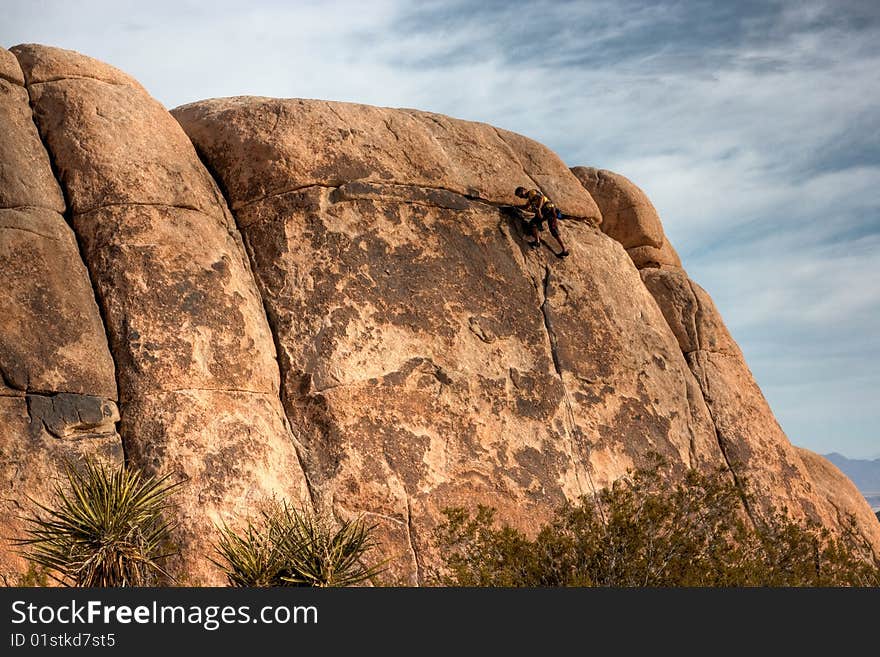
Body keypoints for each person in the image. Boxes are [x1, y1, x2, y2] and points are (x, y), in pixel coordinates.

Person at [514, 186, 569, 257]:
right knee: (534, 224)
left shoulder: (532, 192)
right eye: (520, 196)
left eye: (521, 194)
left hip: (549, 209)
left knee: (552, 229)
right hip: (546, 211)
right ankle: (537, 242)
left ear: (524, 190)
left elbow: (541, 197)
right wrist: (515, 206)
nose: (521, 197)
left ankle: (564, 249)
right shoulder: (530, 199)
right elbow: (526, 207)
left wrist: (539, 209)